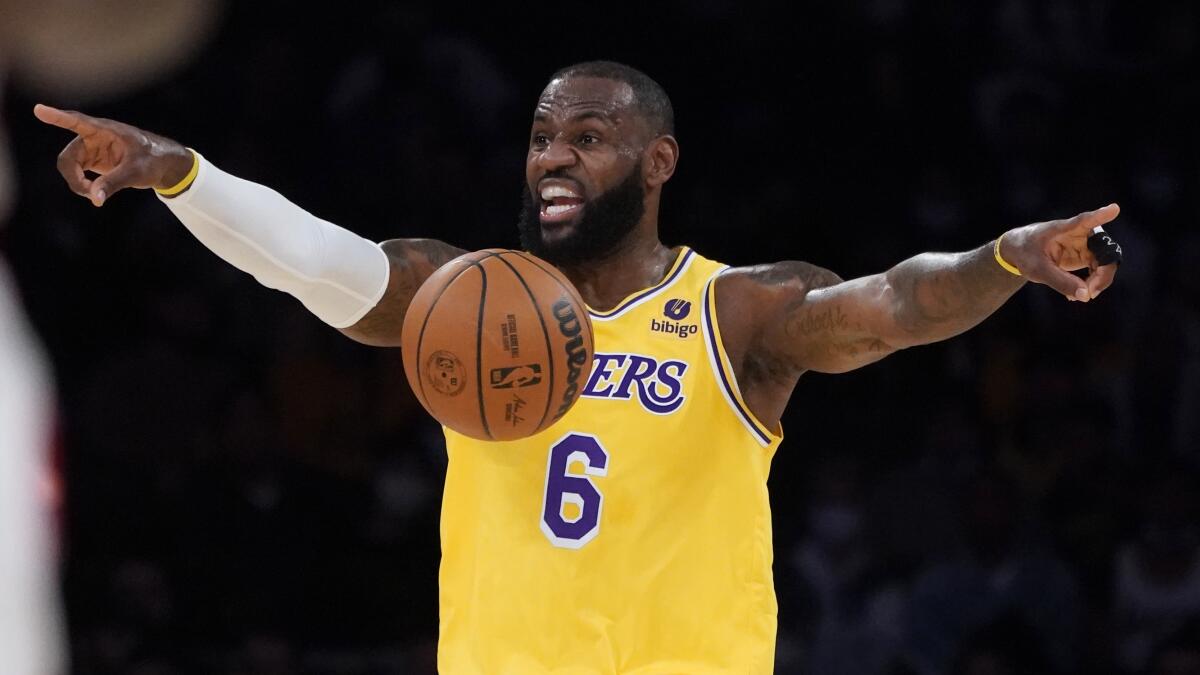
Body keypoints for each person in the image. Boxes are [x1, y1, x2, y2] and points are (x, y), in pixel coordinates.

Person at [36, 60, 1122, 674]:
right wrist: (180, 175)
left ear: (656, 164)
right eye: (543, 136)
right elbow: (318, 264)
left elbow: (892, 304)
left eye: (588, 137)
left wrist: (1005, 259)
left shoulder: (737, 310)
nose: (554, 155)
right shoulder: (463, 299)